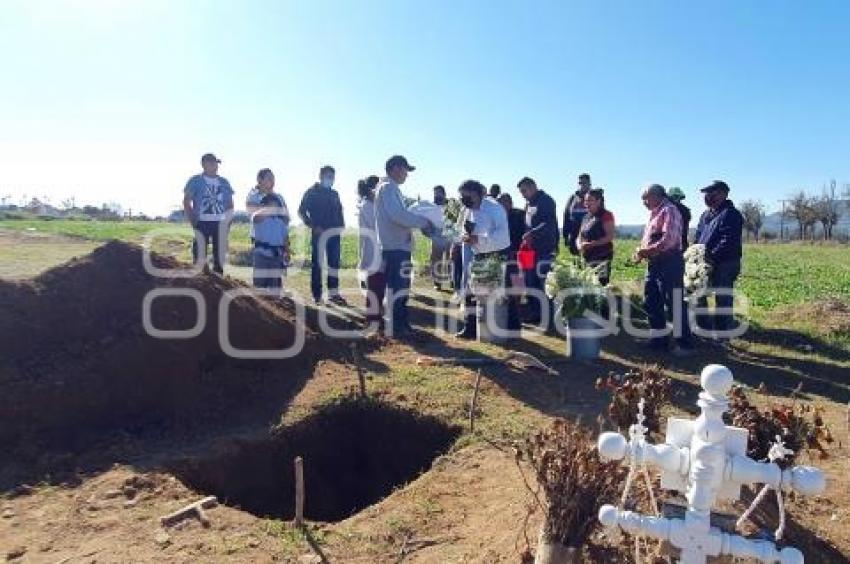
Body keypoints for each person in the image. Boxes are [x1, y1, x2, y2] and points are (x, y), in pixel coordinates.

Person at [374, 155, 433, 338]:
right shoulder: (388, 188)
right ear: (396, 169)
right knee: (398, 288)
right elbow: (397, 215)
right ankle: (397, 327)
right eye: (405, 170)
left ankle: (401, 324)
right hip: (395, 247)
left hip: (397, 246)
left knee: (401, 288)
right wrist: (423, 222)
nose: (407, 174)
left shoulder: (390, 189)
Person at [632, 184, 692, 355]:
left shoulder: (669, 210)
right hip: (654, 263)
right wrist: (641, 253)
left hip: (670, 262)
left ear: (657, 195)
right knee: (652, 301)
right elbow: (651, 239)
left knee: (674, 303)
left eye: (646, 197)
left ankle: (685, 344)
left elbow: (670, 240)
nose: (643, 202)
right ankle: (658, 339)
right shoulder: (655, 213)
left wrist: (647, 251)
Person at [455, 180, 511, 339]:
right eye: (462, 196)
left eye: (468, 196)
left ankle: (502, 328)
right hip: (477, 254)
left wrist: (478, 239)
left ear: (479, 194)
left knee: (495, 293)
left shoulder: (494, 209)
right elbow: (459, 229)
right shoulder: (466, 209)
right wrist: (463, 237)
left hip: (496, 254)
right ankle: (470, 327)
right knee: (471, 291)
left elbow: (503, 237)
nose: (465, 200)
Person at [694, 180, 744, 336]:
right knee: (698, 292)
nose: (708, 196)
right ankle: (704, 327)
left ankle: (724, 332)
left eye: (711, 193)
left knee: (723, 297)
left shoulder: (731, 214)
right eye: (706, 193)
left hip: (725, 262)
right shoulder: (706, 214)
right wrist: (695, 253)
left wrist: (712, 256)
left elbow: (728, 240)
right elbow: (698, 236)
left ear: (723, 194)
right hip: (704, 261)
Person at [298, 165, 346, 306]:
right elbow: (301, 211)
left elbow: (340, 211)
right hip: (319, 233)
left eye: (332, 177)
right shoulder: (311, 192)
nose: (330, 179)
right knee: (317, 265)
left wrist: (341, 225)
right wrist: (313, 225)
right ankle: (317, 295)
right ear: (320, 176)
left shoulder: (335, 194)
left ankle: (333, 294)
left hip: (334, 235)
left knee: (334, 264)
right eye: (328, 176)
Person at [183, 153, 234, 274]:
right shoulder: (195, 181)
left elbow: (230, 205)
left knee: (219, 258)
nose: (215, 165)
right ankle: (198, 284)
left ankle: (218, 285)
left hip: (220, 223)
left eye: (216, 162)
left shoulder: (224, 182)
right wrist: (193, 220)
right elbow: (186, 201)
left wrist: (228, 221)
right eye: (211, 162)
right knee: (199, 257)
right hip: (202, 222)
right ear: (203, 164)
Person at [517, 176, 559, 325]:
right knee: (530, 282)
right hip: (529, 251)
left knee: (543, 283)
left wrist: (532, 233)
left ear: (533, 187)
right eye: (521, 192)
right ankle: (535, 314)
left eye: (524, 190)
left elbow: (548, 223)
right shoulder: (528, 203)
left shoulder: (546, 201)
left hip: (544, 250)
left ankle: (548, 317)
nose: (522, 194)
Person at [248, 169, 290, 293]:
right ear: (259, 180)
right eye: (269, 178)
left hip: (277, 248)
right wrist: (269, 209)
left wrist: (286, 250)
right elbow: (254, 216)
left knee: (275, 287)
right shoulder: (254, 196)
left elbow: (286, 220)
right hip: (261, 245)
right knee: (260, 288)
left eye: (273, 178)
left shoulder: (279, 198)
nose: (272, 181)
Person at [356, 175, 384, 330]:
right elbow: (377, 225)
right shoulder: (367, 206)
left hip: (375, 249)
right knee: (375, 285)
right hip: (373, 248)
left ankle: (376, 316)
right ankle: (373, 318)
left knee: (378, 285)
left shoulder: (370, 204)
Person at [497, 193, 527, 330]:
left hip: (521, 253)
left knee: (519, 285)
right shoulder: (497, 216)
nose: (503, 206)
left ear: (510, 203)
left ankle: (518, 314)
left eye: (505, 203)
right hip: (504, 255)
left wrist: (518, 251)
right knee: (507, 286)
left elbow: (526, 234)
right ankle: (510, 316)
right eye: (501, 203)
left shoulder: (520, 215)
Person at [577, 188, 615, 286]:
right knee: (587, 285)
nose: (587, 203)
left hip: (601, 257)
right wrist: (579, 245)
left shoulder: (606, 215)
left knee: (600, 285)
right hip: (587, 257)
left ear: (598, 201)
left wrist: (592, 244)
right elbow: (580, 235)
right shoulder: (586, 217)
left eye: (590, 200)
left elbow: (610, 236)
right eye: (585, 201)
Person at [562, 173, 592, 255]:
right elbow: (566, 216)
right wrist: (565, 235)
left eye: (584, 183)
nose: (582, 185)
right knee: (575, 260)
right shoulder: (572, 198)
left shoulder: (595, 198)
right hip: (574, 235)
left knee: (589, 262)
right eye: (580, 183)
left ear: (589, 184)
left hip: (590, 237)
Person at [430, 185, 451, 290]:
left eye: (438, 193)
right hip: (436, 234)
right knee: (435, 259)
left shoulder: (450, 204)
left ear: (443, 193)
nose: (436, 195)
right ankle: (437, 282)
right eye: (434, 193)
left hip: (448, 234)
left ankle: (451, 280)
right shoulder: (432, 205)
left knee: (450, 259)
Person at [667, 187, 691, 251]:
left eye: (677, 196)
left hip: (677, 245)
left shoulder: (684, 210)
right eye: (675, 196)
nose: (676, 198)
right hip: (680, 244)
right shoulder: (686, 210)